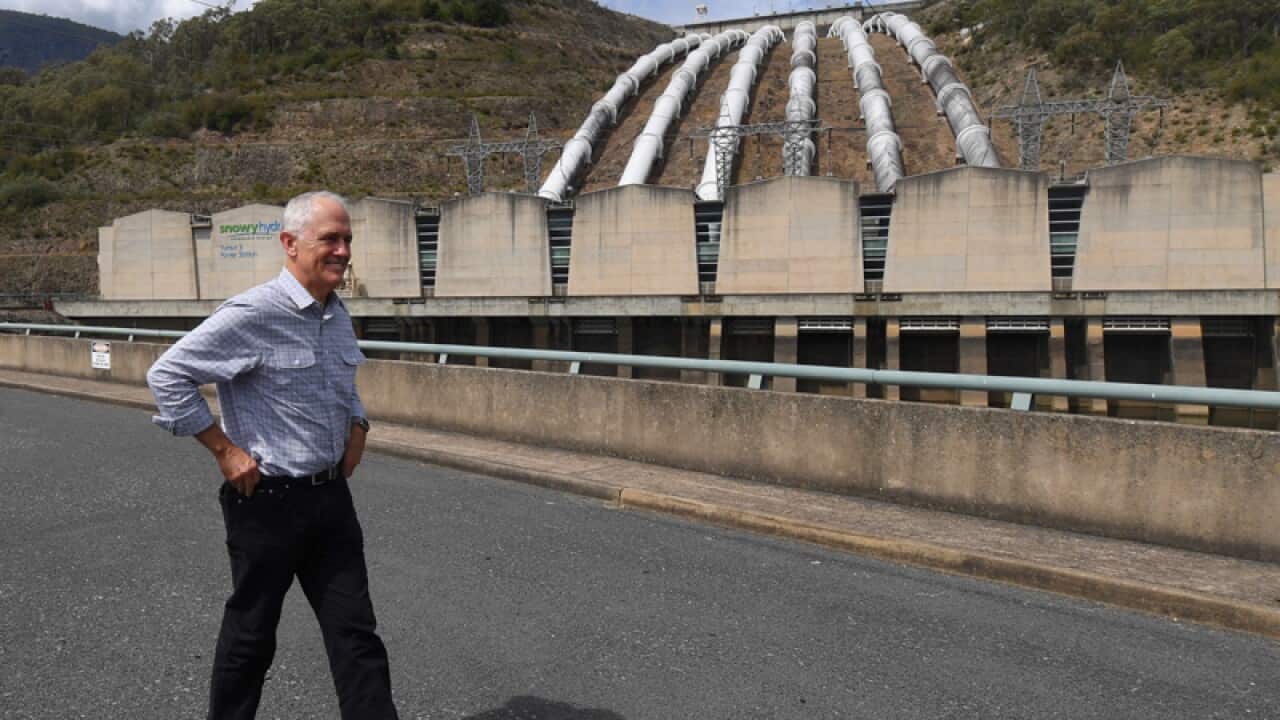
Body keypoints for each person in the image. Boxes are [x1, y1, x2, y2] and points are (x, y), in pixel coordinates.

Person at [147, 190, 399, 720]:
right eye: (329, 239)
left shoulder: (335, 311)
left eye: (347, 239)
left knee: (356, 636)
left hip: (331, 500)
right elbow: (167, 375)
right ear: (290, 243)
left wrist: (359, 423)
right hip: (266, 502)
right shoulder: (254, 312)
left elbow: (342, 380)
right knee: (251, 636)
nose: (343, 250)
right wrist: (223, 450)